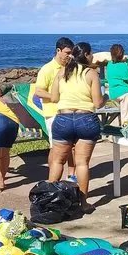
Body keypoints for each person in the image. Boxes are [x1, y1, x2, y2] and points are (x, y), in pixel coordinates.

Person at [48, 42, 104, 213]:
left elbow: (54, 98)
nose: (93, 56)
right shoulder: (91, 73)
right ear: (86, 55)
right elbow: (98, 103)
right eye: (91, 54)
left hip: (63, 118)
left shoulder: (62, 72)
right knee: (82, 164)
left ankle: (48, 199)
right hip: (85, 118)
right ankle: (84, 203)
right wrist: (106, 96)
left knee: (57, 161)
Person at [36, 37, 77, 182]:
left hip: (71, 113)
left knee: (73, 147)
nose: (69, 56)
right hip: (53, 113)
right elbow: (39, 92)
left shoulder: (71, 67)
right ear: (58, 50)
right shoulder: (47, 69)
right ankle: (52, 180)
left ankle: (72, 176)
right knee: (57, 149)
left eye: (71, 53)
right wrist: (57, 97)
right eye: (67, 52)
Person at [105, 44, 128, 123]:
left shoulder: (109, 64)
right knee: (127, 117)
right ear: (122, 54)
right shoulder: (123, 66)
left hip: (113, 94)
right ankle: (127, 133)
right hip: (124, 93)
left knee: (123, 114)